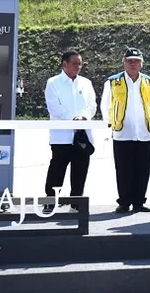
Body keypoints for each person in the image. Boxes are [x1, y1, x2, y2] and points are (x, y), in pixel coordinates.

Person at [100, 48, 150, 213]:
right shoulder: (113, 81)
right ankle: (124, 201)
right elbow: (106, 104)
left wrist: (147, 121)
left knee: (143, 169)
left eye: (136, 61)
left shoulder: (149, 82)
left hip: (143, 133)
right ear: (124, 62)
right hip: (122, 132)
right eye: (130, 61)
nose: (133, 64)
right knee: (123, 169)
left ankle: (139, 201)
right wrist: (110, 123)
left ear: (141, 64)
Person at [43, 50, 98, 211]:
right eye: (75, 63)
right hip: (61, 136)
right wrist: (73, 119)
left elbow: (92, 105)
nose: (78, 67)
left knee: (80, 171)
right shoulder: (53, 83)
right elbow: (54, 106)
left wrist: (83, 117)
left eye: (80, 64)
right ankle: (51, 201)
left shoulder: (86, 83)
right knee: (57, 170)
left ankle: (76, 204)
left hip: (82, 135)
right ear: (64, 64)